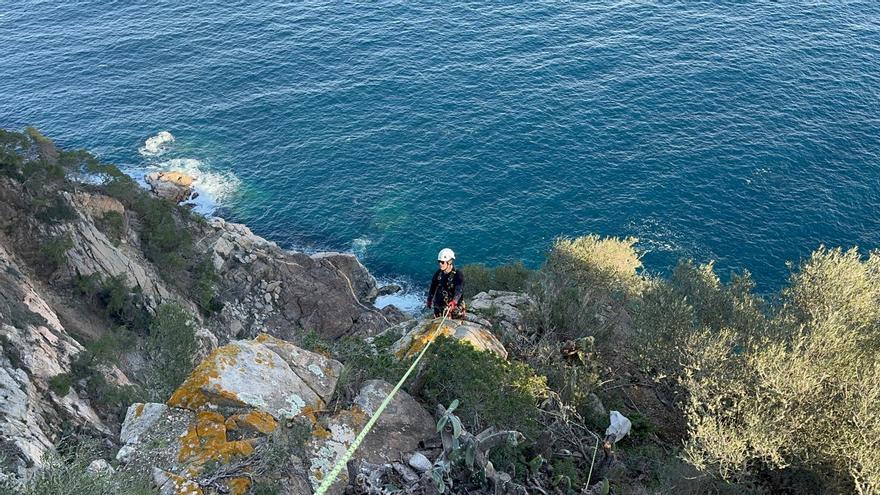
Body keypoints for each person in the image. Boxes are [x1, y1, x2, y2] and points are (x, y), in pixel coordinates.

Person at [427, 248, 465, 318]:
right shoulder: (438, 273)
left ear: (449, 262)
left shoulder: (458, 275)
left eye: (442, 262)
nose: (440, 264)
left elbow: (459, 289)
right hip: (439, 305)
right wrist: (429, 299)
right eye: (439, 262)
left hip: (453, 307)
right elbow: (433, 286)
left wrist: (454, 301)